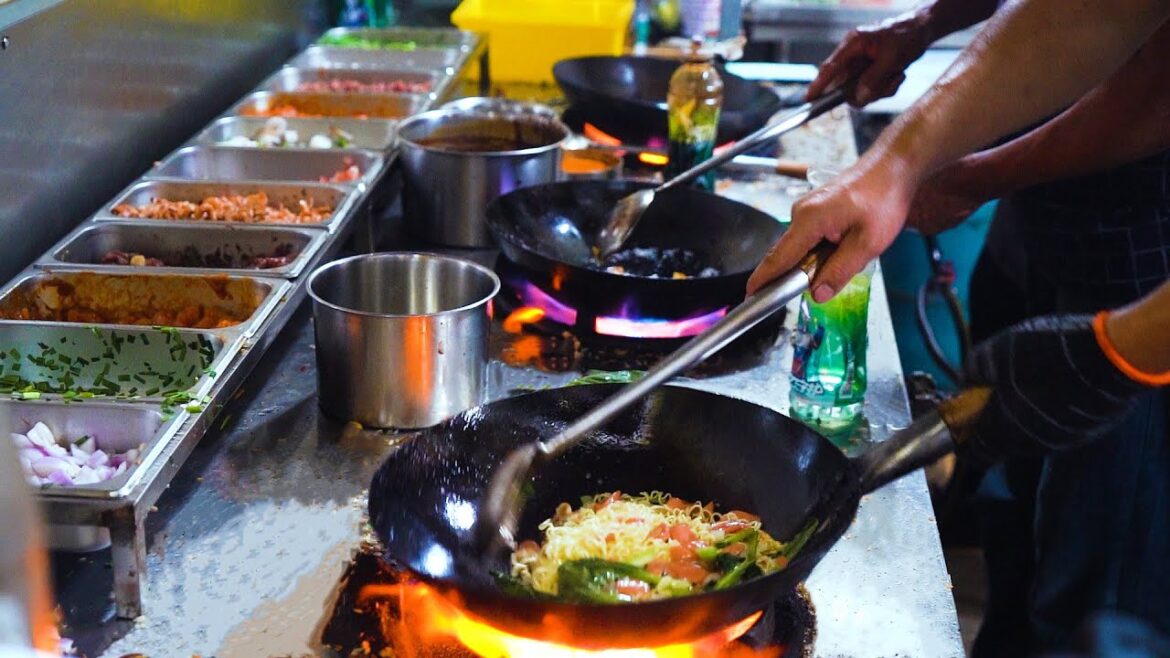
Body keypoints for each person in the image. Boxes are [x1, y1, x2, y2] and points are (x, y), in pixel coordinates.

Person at [745, 0, 1170, 654]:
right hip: (1044, 233)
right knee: (1012, 531)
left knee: (1093, 604)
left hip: (1139, 270)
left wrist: (1125, 348)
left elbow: (1157, 91)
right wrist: (922, 39)